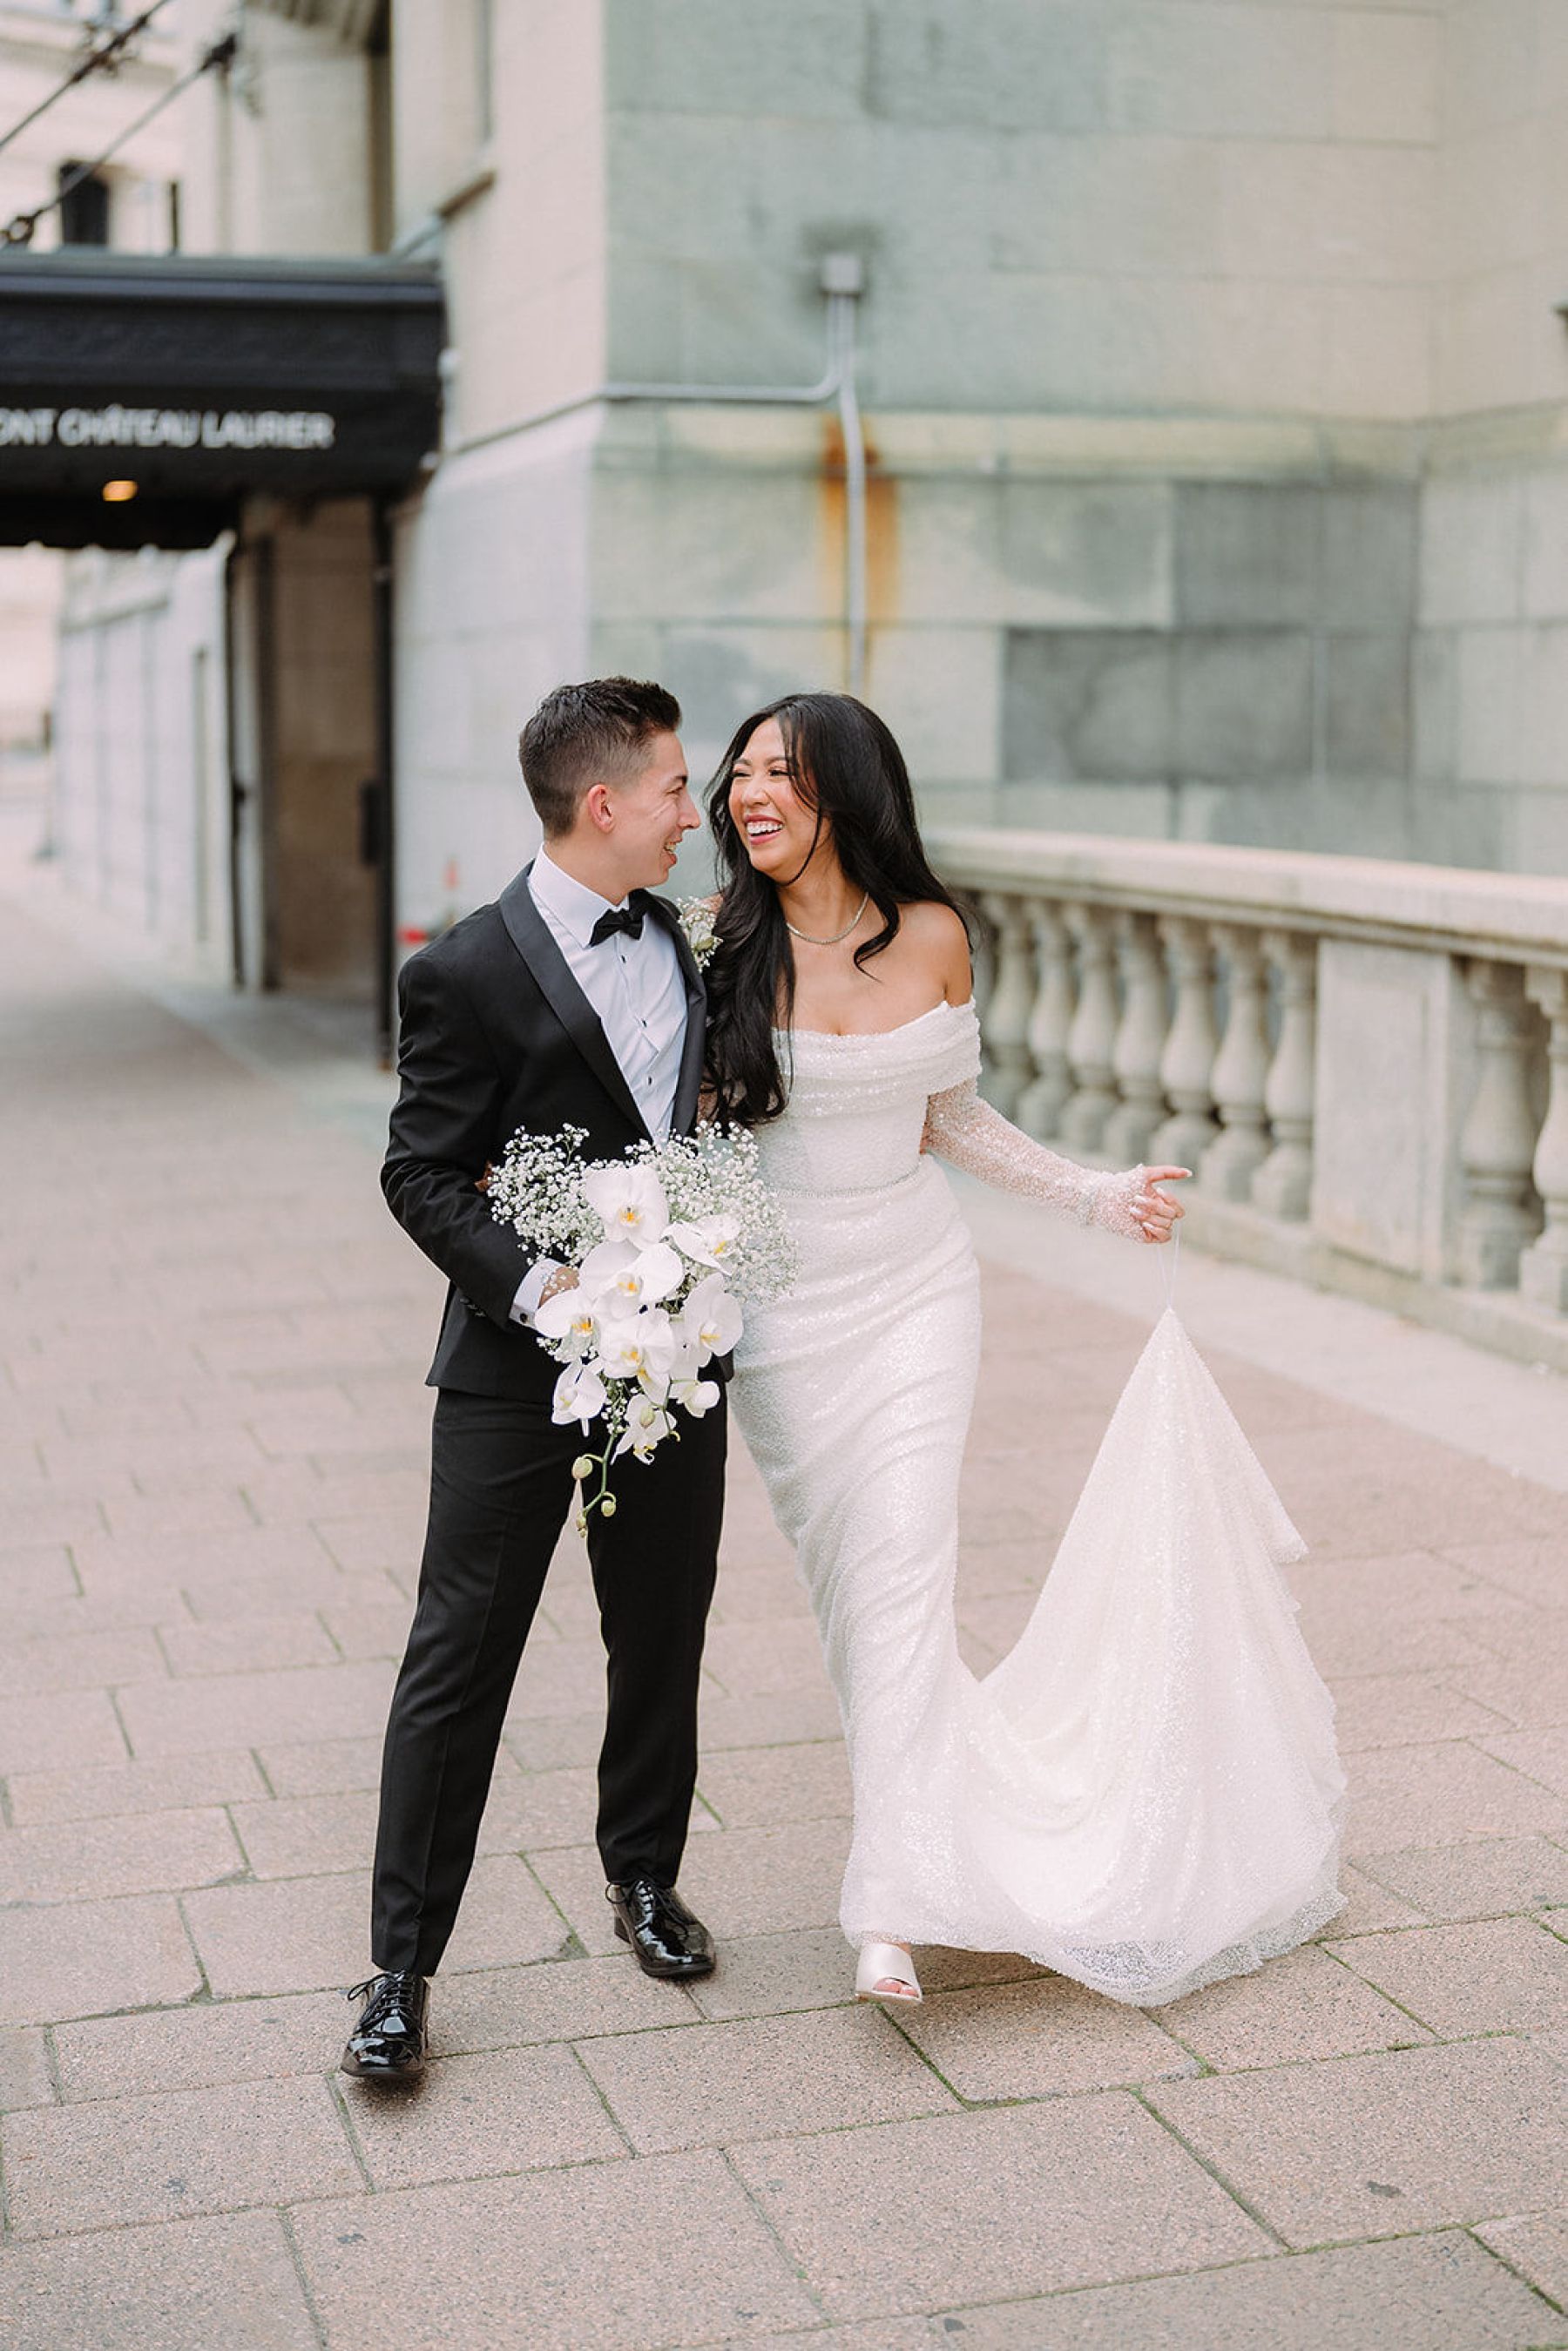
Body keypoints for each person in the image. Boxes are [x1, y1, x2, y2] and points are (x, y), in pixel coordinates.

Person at [704, 692, 1346, 2008]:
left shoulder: (935, 934)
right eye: (740, 772)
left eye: (782, 773)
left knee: (904, 1566)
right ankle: (935, 1825)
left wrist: (1093, 1195)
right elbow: (679, 1129)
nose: (748, 794)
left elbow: (951, 1118)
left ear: (848, 792)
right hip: (782, 1316)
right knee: (854, 1595)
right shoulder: (716, 941)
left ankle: (893, 1900)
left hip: (917, 1290)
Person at [343, 679, 727, 2082]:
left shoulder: (691, 942)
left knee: (661, 1630)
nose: (694, 814)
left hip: (674, 1361)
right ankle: (399, 1971)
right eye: (677, 788)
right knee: (460, 1658)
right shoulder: (461, 970)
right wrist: (542, 1288)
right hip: (515, 1372)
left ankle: (645, 1878)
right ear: (603, 802)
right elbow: (420, 1173)